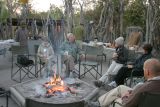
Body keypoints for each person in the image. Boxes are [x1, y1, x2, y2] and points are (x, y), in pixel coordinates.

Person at [88, 58, 160, 107]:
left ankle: (100, 104)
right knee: (121, 88)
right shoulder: (147, 86)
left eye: (144, 69)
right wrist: (132, 92)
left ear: (147, 72)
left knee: (113, 98)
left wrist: (125, 96)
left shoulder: (143, 88)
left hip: (132, 103)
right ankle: (99, 103)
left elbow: (127, 104)